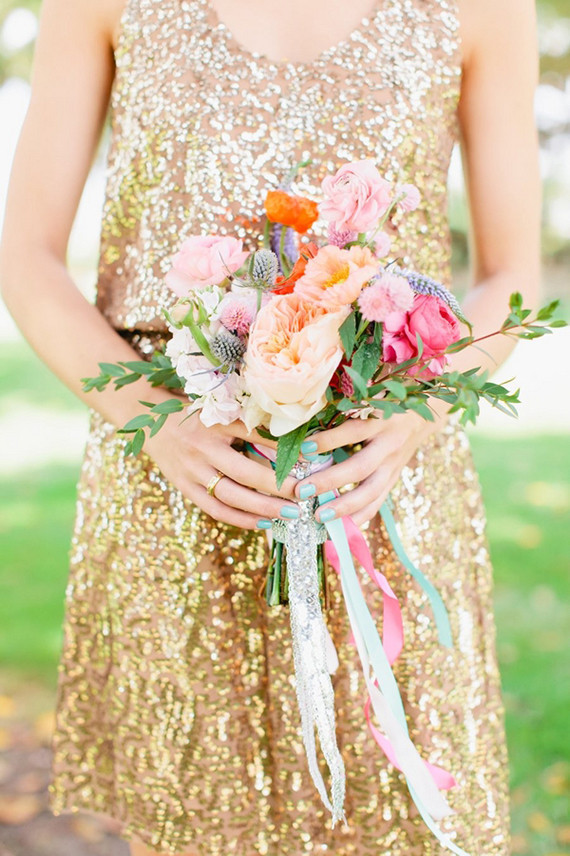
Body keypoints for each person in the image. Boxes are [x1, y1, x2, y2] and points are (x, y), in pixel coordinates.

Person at [0, 0, 540, 853]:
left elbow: (511, 277)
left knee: (404, 824)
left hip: (382, 491)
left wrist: (418, 415)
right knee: (198, 822)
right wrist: (156, 425)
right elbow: (24, 254)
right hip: (177, 485)